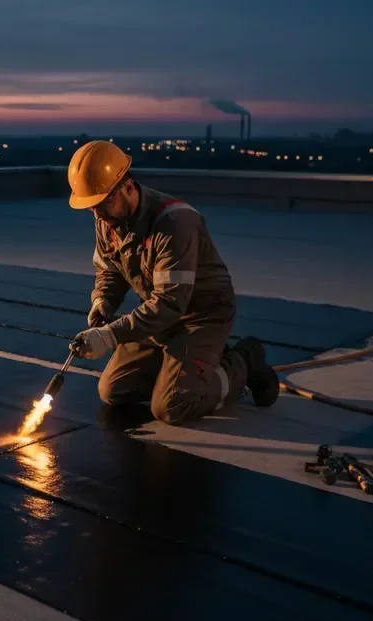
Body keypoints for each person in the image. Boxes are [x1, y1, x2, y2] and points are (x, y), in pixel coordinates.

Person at [66, 140, 279, 426]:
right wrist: (102, 301)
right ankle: (190, 367)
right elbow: (110, 269)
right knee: (113, 390)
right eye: (91, 207)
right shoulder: (108, 218)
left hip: (202, 315)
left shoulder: (174, 223)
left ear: (127, 186)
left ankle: (243, 361)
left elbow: (170, 302)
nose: (98, 214)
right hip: (160, 317)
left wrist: (110, 336)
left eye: (102, 203)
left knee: (172, 406)